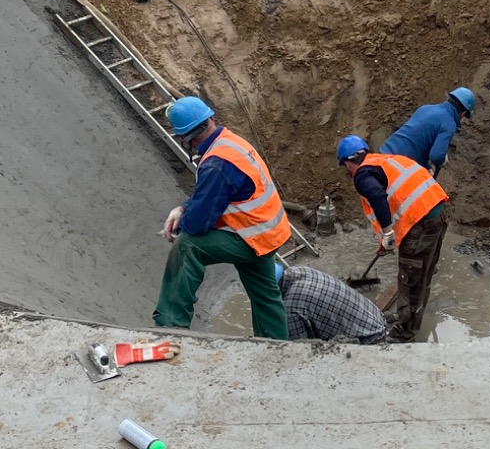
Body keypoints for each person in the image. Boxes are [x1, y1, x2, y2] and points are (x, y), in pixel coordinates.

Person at [153, 98, 290, 340]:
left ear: (185, 138)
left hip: (250, 236)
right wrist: (183, 208)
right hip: (268, 233)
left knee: (188, 245)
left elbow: (198, 225)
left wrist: (181, 222)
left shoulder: (216, 164)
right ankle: (276, 345)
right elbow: (215, 195)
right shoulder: (231, 143)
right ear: (211, 119)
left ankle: (169, 326)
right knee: (266, 295)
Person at [337, 134, 449, 341]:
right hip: (437, 214)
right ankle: (408, 319)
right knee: (422, 274)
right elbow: (401, 199)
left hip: (421, 222)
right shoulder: (383, 161)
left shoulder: (362, 175)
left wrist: (388, 233)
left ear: (347, 162)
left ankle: (403, 334)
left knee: (411, 278)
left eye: (345, 166)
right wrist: (386, 240)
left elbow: (378, 196)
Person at [276, 261, 389, 345]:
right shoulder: (299, 271)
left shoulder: (291, 309)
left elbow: (302, 351)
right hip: (377, 319)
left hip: (369, 341)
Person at [382, 88, 475, 177]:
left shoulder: (426, 108)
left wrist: (427, 167)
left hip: (382, 155)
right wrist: (441, 160)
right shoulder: (449, 123)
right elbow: (436, 156)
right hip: (398, 166)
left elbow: (417, 141)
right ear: (463, 113)